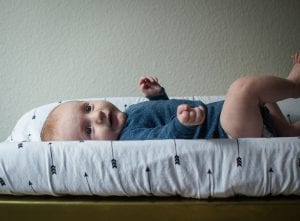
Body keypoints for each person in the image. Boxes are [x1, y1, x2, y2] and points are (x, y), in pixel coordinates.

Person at [41, 53, 300, 141]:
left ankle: (284, 130)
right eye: (88, 130)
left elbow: (162, 114)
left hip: (234, 119)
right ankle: (294, 86)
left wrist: (158, 96)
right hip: (225, 131)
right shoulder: (130, 139)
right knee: (243, 89)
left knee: (262, 97)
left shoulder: (131, 113)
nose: (96, 115)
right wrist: (182, 125)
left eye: (87, 107)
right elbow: (162, 138)